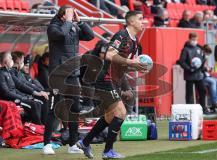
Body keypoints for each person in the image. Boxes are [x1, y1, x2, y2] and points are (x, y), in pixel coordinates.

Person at [77, 10, 147, 159]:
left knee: (110, 116)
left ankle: (85, 142)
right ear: (131, 21)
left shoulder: (135, 42)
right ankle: (108, 151)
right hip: (105, 79)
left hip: (115, 81)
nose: (143, 21)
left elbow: (122, 65)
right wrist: (130, 62)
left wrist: (137, 66)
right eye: (140, 19)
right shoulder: (121, 36)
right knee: (121, 113)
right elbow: (109, 55)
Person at [43, 5, 94, 155]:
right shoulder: (53, 27)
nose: (72, 16)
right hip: (58, 75)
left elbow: (90, 36)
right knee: (53, 110)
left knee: (75, 110)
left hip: (72, 74)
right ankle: (46, 144)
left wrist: (80, 22)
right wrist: (69, 21)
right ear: (62, 16)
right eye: (69, 14)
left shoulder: (73, 27)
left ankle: (72, 144)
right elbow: (61, 35)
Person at [0, 51, 47, 124]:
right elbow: (5, 92)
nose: (11, 59)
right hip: (10, 100)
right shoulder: (1, 74)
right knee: (33, 104)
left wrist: (34, 93)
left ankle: (40, 127)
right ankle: (38, 128)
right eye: (10, 58)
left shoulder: (7, 72)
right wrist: (22, 98)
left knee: (37, 103)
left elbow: (18, 86)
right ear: (5, 61)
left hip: (16, 98)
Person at [178, 32, 208, 114]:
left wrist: (203, 67)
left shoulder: (199, 49)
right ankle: (190, 110)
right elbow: (181, 61)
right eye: (193, 39)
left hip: (198, 75)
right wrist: (189, 68)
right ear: (189, 39)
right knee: (189, 94)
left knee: (203, 90)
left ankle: (203, 109)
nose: (194, 41)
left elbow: (202, 60)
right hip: (189, 75)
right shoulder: (185, 49)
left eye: (196, 39)